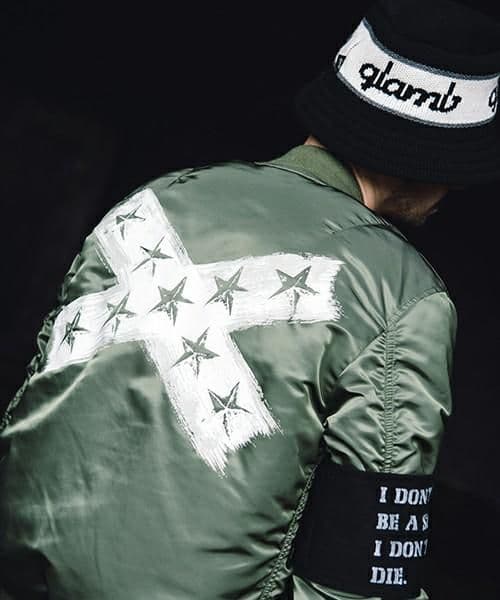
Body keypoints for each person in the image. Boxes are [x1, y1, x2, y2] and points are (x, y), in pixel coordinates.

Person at [0, 0, 499, 598]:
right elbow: (362, 584)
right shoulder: (402, 295)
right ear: (429, 158)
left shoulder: (149, 206)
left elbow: (32, 429)